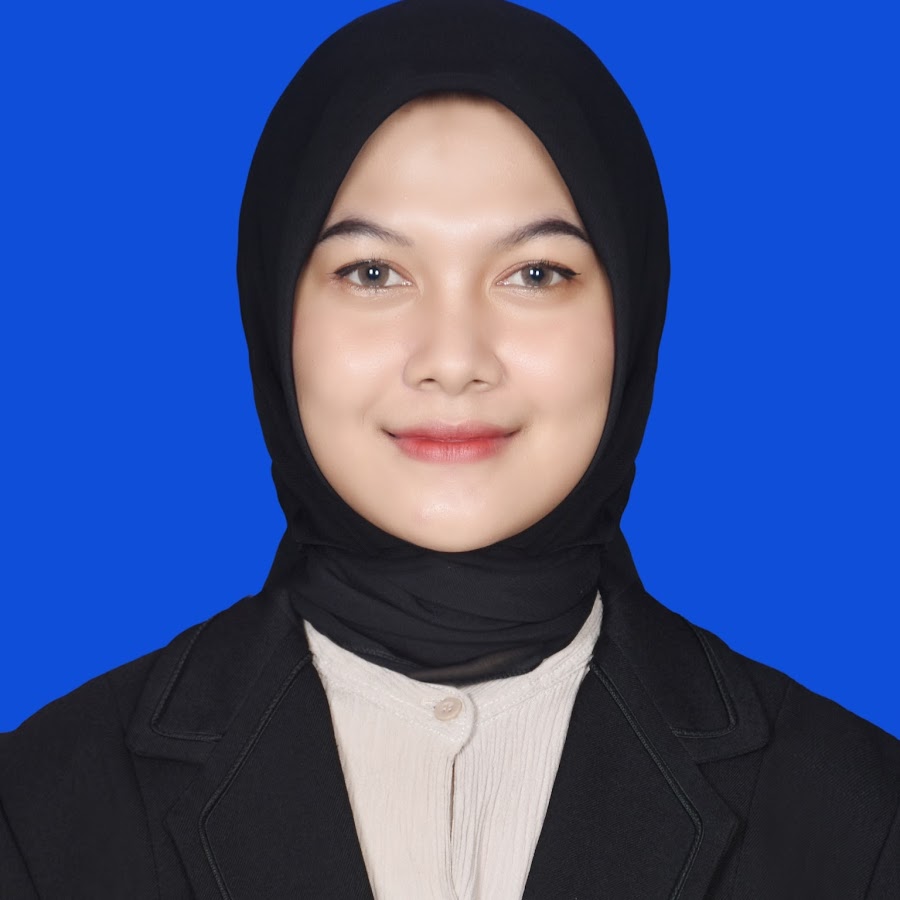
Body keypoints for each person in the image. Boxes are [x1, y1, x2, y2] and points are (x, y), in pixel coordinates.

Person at [1, 1, 898, 898]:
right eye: (373, 273)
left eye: (536, 273)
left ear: (632, 313)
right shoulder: (39, 813)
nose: (455, 359)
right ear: (275, 316)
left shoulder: (861, 820)